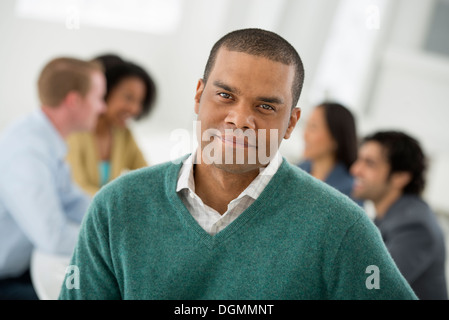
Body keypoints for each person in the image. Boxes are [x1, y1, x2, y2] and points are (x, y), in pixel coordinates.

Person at [59, 28, 417, 300]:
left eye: (265, 107)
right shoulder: (116, 206)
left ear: (291, 123)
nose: (239, 119)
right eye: (225, 95)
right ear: (199, 96)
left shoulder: (341, 228)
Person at [0, 57, 106, 299]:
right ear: (73, 101)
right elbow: (53, 237)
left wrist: (115, 221)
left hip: (22, 265)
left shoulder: (45, 139)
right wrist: (112, 245)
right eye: (98, 98)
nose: (102, 108)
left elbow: (73, 202)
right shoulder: (27, 151)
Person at [350, 131, 448, 300]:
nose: (355, 170)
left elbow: (369, 286)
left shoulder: (415, 226)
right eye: (359, 160)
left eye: (369, 163)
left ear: (400, 177)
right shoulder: (388, 217)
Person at [66, 54, 157, 196]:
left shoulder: (123, 134)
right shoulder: (74, 132)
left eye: (140, 102)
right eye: (128, 97)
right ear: (103, 91)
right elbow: (77, 189)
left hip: (104, 214)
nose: (135, 109)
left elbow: (148, 178)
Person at [298, 102, 361, 205]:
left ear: (335, 137)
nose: (305, 135)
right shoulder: (298, 170)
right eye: (307, 126)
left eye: (313, 127)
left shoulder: (351, 191)